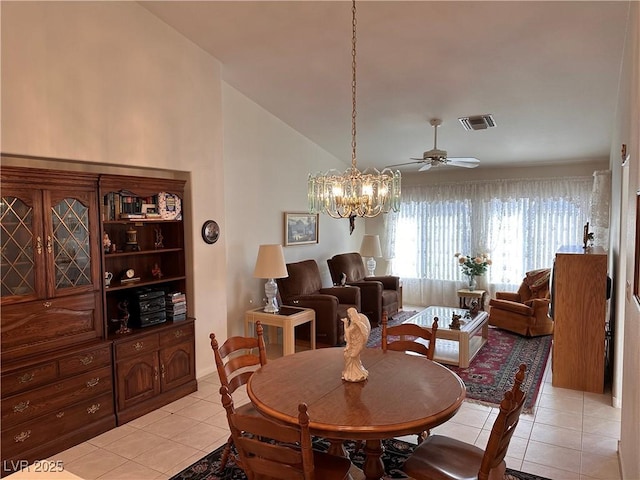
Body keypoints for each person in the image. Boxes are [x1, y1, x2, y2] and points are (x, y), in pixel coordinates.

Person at [341, 307, 371, 382]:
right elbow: (348, 335)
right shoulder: (354, 323)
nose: (348, 316)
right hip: (353, 343)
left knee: (351, 356)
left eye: (349, 314)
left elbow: (347, 332)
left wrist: (345, 324)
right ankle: (350, 372)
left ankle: (355, 372)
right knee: (348, 355)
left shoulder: (356, 324)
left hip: (355, 344)